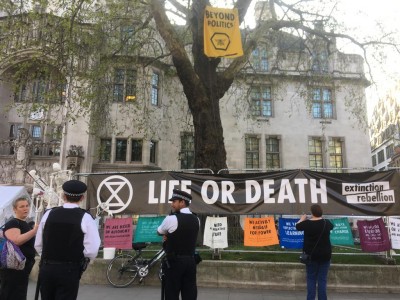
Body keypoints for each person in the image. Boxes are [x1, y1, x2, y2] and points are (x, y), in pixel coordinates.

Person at [34, 180, 101, 300]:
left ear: (63, 196)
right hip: (70, 269)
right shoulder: (85, 217)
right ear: (82, 198)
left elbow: (38, 244)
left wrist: (48, 256)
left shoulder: (49, 214)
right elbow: (92, 249)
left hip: (47, 267)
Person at [157, 189, 200, 300]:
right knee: (190, 294)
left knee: (171, 294)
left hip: (174, 262)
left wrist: (167, 235)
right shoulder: (197, 219)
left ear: (182, 202)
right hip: (191, 262)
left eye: (174, 201)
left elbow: (159, 231)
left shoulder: (171, 219)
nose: (172, 204)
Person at [0, 197, 38, 300]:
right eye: (21, 206)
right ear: (14, 209)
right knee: (11, 295)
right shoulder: (13, 223)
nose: (25, 208)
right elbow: (16, 240)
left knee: (19, 295)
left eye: (27, 206)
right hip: (14, 269)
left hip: (22, 268)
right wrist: (34, 231)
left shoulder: (25, 224)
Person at [296, 204, 334, 300]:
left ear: (312, 213)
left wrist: (302, 218)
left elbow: (297, 226)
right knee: (322, 280)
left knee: (311, 279)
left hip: (311, 256)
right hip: (325, 256)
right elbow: (331, 226)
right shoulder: (326, 223)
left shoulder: (306, 224)